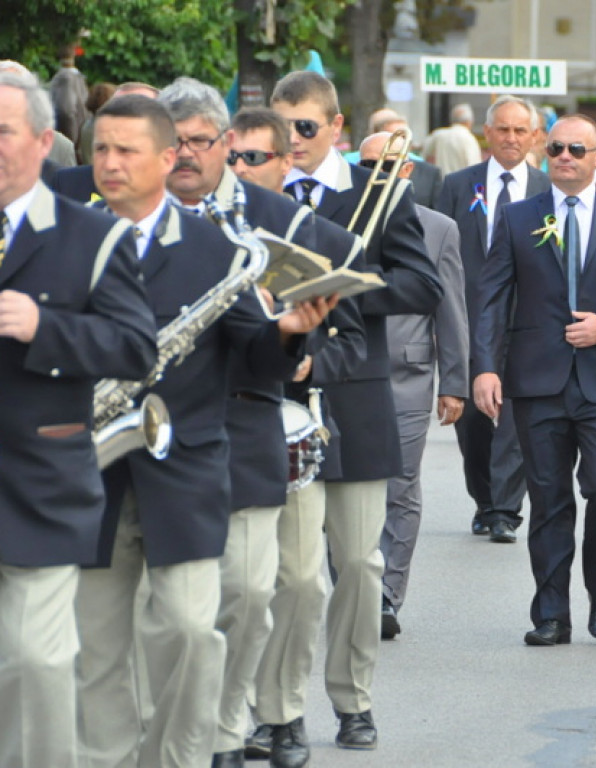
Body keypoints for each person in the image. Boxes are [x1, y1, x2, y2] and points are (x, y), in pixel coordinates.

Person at [74, 94, 336, 768]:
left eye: (126, 150)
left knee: (192, 632)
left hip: (183, 465)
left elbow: (253, 353)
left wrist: (287, 332)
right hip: (88, 470)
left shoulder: (223, 248)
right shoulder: (62, 240)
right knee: (97, 647)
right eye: (101, 148)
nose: (109, 163)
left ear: (168, 158)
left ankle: (177, 756)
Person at [270, 69, 442, 751]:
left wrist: (339, 293)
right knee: (294, 575)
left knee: (361, 565)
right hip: (280, 394)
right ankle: (279, 710)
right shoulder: (260, 194)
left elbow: (421, 284)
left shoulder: (377, 192)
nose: (294, 143)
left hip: (354, 397)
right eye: (283, 132)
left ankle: (354, 700)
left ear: (336, 127)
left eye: (306, 129)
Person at [0, 70, 157, 768]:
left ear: (42, 141)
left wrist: (47, 328)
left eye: (2, 131)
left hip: (40, 480)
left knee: (38, 661)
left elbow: (134, 346)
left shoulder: (91, 236)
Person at [473, 113, 596, 646]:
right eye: (556, 147)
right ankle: (551, 613)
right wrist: (485, 366)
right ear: (544, 149)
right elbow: (490, 298)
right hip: (537, 381)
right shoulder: (516, 218)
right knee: (549, 499)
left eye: (576, 150)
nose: (565, 156)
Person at [223, 106, 367, 768]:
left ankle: (281, 711)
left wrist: (310, 361)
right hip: (219, 427)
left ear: (286, 163)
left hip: (294, 427)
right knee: (239, 588)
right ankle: (234, 713)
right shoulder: (208, 234)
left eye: (254, 159)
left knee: (303, 582)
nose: (240, 171)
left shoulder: (322, 240)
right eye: (234, 158)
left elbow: (357, 342)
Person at [359, 131, 469, 639]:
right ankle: (354, 590)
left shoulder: (438, 228)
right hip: (343, 372)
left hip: (408, 373)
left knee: (399, 486)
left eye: (389, 164)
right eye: (367, 164)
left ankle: (385, 595)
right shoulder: (335, 219)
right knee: (346, 489)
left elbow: (450, 309)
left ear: (408, 170)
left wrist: (455, 381)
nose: (377, 173)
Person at [435, 95, 550, 542]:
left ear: (534, 136)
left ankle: (505, 508)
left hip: (527, 320)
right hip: (467, 316)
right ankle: (484, 498)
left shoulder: (546, 187)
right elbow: (443, 251)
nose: (512, 138)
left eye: (521, 131)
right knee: (472, 422)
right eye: (503, 129)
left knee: (515, 414)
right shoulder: (459, 186)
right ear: (487, 133)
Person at [423, 102, 482, 176]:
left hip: (442, 182)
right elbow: (474, 166)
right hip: (461, 183)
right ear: (469, 122)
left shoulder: (438, 135)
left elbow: (424, 153)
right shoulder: (469, 138)